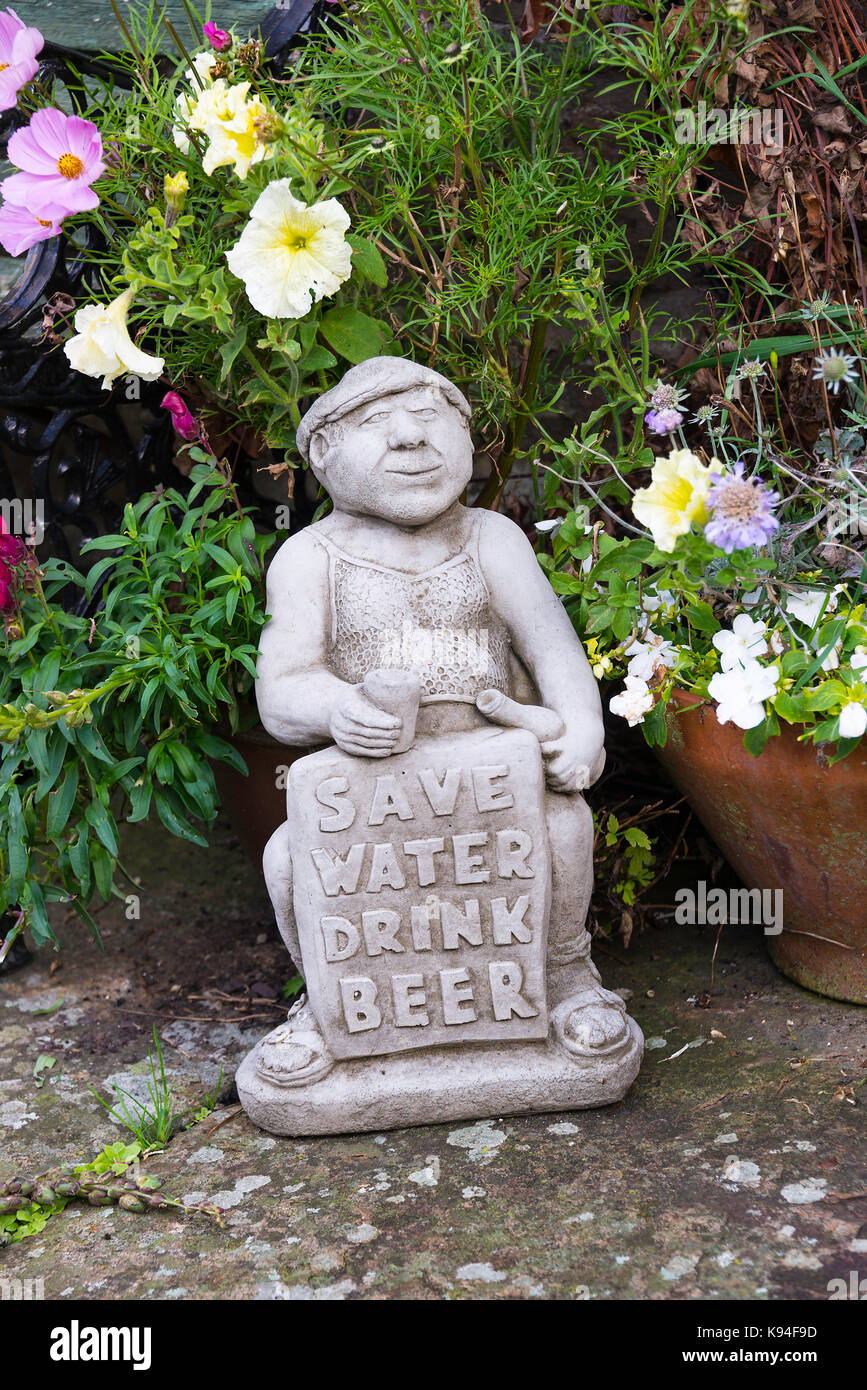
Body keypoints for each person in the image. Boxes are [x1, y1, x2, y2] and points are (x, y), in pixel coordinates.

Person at [256, 357, 628, 1083]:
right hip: (372, 792)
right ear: (323, 453)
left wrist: (582, 733)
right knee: (287, 858)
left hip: (493, 773)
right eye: (377, 423)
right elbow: (282, 691)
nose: (409, 438)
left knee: (563, 828)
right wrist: (340, 708)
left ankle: (566, 977)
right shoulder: (307, 558)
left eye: (430, 418)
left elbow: (556, 654)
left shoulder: (491, 539)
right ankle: (328, 1006)